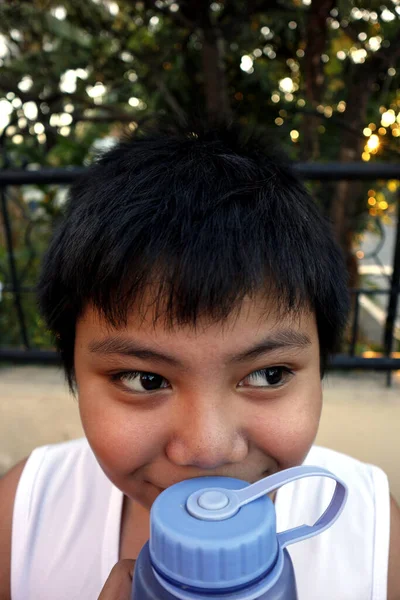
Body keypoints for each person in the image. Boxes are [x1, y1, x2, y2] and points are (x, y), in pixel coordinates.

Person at [0, 120, 399, 600]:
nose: (209, 450)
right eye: (146, 380)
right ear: (74, 374)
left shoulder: (377, 541)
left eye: (269, 375)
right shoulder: (22, 518)